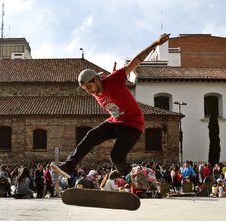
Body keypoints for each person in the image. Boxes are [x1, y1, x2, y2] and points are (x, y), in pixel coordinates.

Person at [50, 33, 170, 180]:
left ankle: (124, 171)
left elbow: (136, 61)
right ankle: (68, 167)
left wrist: (155, 44)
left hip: (133, 125)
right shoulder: (95, 90)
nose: (89, 91)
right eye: (85, 89)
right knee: (91, 135)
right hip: (116, 122)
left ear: (96, 79)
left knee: (116, 157)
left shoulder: (115, 79)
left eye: (89, 86)